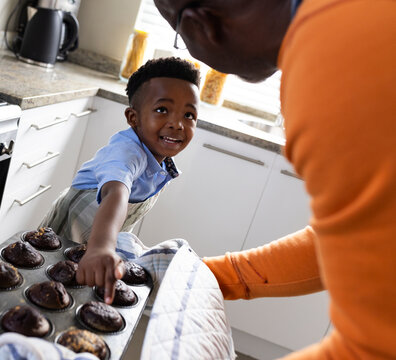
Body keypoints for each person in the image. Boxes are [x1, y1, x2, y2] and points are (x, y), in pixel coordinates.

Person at [154, 0, 396, 359]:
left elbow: (370, 348)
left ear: (199, 26)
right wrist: (210, 276)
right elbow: (353, 237)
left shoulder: (330, 68)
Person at [39, 57, 201, 304]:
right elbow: (117, 193)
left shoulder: (160, 159)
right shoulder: (126, 152)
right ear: (133, 118)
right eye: (162, 110)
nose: (177, 124)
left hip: (100, 239)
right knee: (48, 284)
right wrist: (102, 247)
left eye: (188, 114)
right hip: (68, 231)